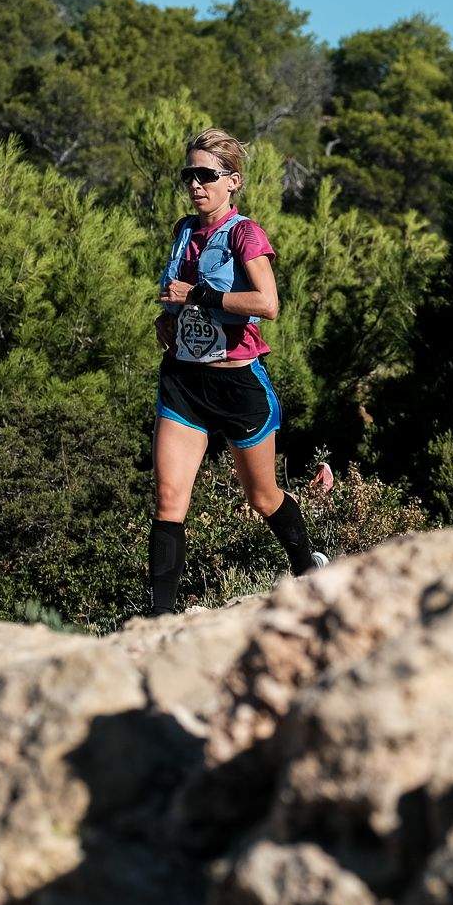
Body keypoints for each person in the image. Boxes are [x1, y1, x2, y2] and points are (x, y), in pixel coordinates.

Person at [149, 128, 325, 615]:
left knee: (263, 497)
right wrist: (168, 318)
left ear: (233, 181)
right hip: (184, 381)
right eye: (189, 175)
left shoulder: (245, 234)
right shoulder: (184, 230)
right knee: (168, 499)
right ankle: (157, 622)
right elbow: (177, 294)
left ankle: (309, 572)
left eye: (206, 175)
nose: (195, 184)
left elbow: (268, 304)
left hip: (237, 383)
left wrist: (199, 296)